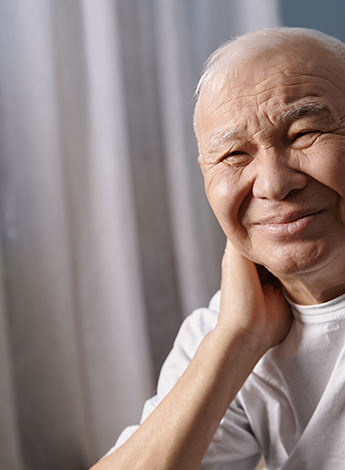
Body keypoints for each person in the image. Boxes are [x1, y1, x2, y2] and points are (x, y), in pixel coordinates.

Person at [90, 27, 345, 469]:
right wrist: (235, 341)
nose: (273, 183)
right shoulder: (228, 325)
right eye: (234, 156)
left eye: (305, 132)